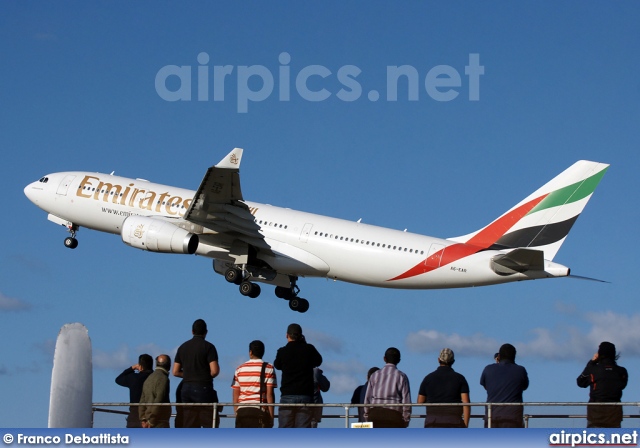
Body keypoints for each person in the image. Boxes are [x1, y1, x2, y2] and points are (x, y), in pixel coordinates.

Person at [173, 319, 221, 428]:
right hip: (203, 388)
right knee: (209, 422)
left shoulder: (183, 347)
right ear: (206, 332)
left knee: (189, 423)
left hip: (186, 389)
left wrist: (189, 374)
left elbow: (175, 371)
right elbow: (214, 371)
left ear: (192, 331)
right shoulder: (209, 347)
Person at [273, 323, 323, 428]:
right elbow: (318, 361)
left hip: (287, 395)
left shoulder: (282, 351)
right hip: (305, 395)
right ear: (301, 336)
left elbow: (277, 365)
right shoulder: (309, 349)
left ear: (287, 335)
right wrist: (304, 343)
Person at [577, 341, 628, 428]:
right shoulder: (621, 371)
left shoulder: (593, 370)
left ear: (599, 354)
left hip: (595, 414)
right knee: (614, 440)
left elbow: (581, 382)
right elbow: (622, 385)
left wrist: (592, 362)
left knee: (593, 439)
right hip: (614, 414)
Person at [416, 348, 470, 428]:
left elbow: (420, 402)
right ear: (453, 361)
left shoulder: (428, 378)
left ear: (438, 360)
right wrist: (465, 425)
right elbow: (466, 403)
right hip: (454, 421)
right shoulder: (460, 378)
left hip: (432, 421)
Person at [480, 343, 529, 428]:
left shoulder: (488, 369)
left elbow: (486, 387)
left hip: (492, 416)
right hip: (513, 417)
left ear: (499, 356)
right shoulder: (520, 370)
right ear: (514, 356)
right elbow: (524, 387)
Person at [231, 340, 278, 428]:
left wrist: (236, 412)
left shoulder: (239, 369)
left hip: (242, 412)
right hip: (259, 411)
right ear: (263, 352)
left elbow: (235, 394)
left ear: (250, 352)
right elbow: (270, 395)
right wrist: (271, 417)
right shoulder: (269, 368)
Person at [364, 347, 411, 428]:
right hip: (394, 416)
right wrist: (406, 419)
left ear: (384, 359)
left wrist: (367, 415)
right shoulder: (402, 376)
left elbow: (367, 399)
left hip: (375, 415)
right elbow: (406, 401)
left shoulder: (375, 375)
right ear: (399, 361)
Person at [115, 353, 153, 428]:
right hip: (151, 412)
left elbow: (118, 379)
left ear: (140, 366)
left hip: (135, 413)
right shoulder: (154, 378)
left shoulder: (134, 378)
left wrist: (132, 368)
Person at [139, 355, 172, 428]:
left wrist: (143, 419)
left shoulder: (149, 379)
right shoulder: (163, 379)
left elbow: (142, 400)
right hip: (159, 420)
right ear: (169, 366)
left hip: (147, 420)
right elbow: (159, 400)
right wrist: (152, 421)